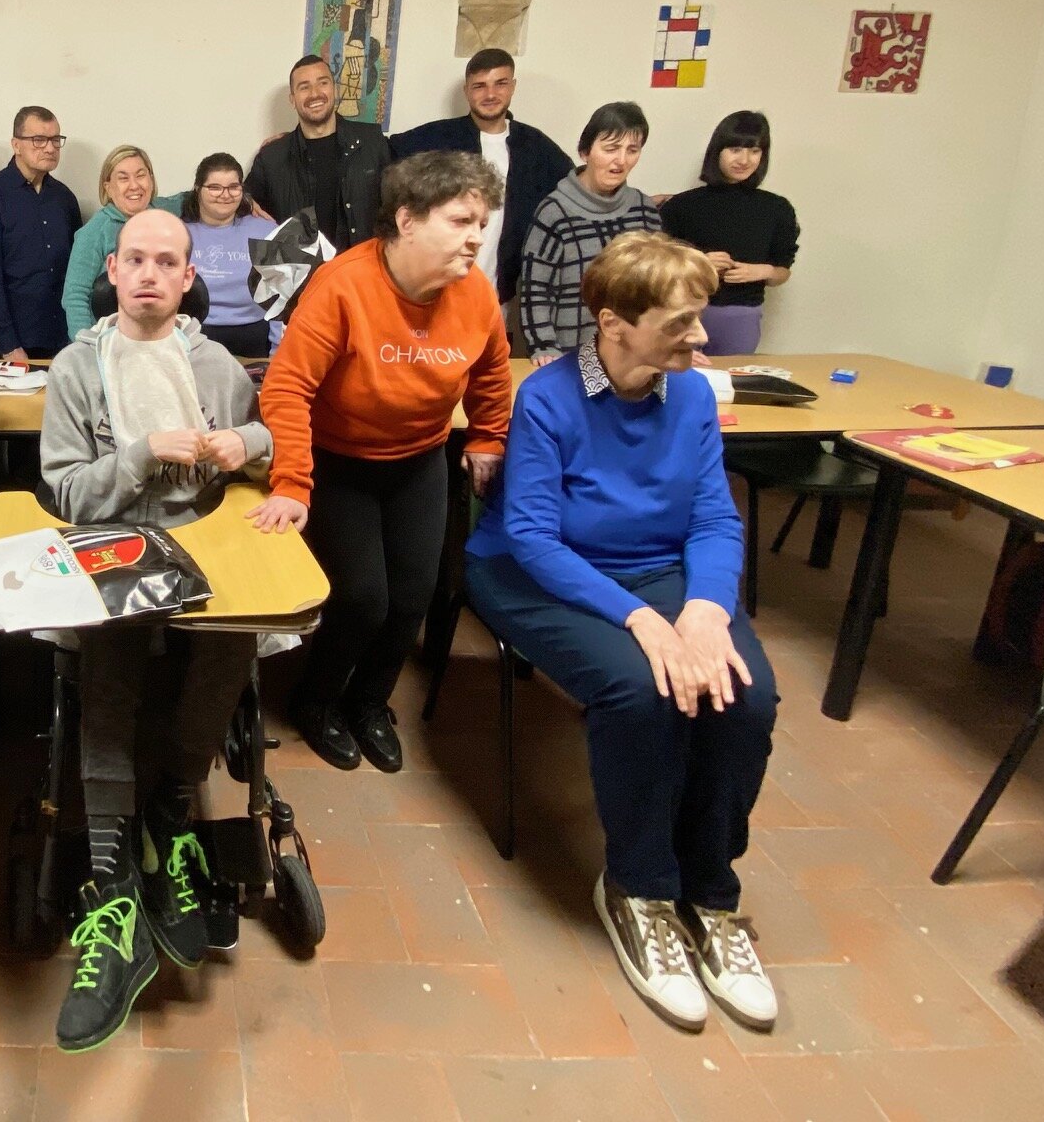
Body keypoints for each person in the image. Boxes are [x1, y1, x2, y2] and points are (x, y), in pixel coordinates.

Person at [462, 233, 778, 1034]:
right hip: (540, 572)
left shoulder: (695, 397)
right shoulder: (551, 396)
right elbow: (532, 536)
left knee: (745, 697)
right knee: (639, 691)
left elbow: (711, 515)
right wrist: (641, 620)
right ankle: (637, 887)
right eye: (680, 324)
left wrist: (705, 607)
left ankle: (711, 894)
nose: (700, 339)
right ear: (613, 324)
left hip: (661, 570)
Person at [40, 207, 272, 1052]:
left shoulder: (212, 361)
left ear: (185, 277)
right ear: (111, 271)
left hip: (201, 541)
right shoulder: (77, 366)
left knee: (233, 640)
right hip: (111, 541)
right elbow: (67, 493)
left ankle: (171, 812)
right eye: (132, 258)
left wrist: (235, 443)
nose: (146, 274)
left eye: (164, 262)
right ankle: (110, 867)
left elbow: (266, 444)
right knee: (107, 656)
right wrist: (140, 453)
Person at [252, 153, 512, 771]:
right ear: (407, 220)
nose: (477, 236)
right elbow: (286, 389)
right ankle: (317, 703)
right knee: (363, 598)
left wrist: (487, 440)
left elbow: (493, 372)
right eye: (460, 220)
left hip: (419, 458)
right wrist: (291, 481)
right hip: (340, 460)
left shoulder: (474, 291)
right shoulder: (343, 285)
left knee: (412, 597)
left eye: (482, 221)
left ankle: (369, 704)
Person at [389, 49, 568, 326]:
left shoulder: (537, 149)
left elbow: (577, 187)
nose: (490, 94)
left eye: (500, 83)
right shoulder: (435, 139)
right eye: (479, 86)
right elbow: (382, 156)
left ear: (513, 86)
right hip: (436, 293)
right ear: (466, 91)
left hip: (498, 295)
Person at [518, 101, 663, 364]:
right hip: (569, 354)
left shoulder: (644, 210)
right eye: (610, 149)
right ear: (585, 152)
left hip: (631, 356)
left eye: (632, 150)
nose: (621, 160)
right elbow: (535, 289)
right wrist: (543, 346)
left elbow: (658, 287)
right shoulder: (555, 211)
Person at [661, 111, 799, 356]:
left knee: (732, 384)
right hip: (683, 310)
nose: (744, 159)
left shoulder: (777, 209)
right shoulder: (681, 206)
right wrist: (698, 262)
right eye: (735, 149)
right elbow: (658, 265)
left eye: (755, 151)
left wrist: (763, 271)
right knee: (676, 381)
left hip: (741, 313)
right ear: (718, 151)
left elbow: (782, 270)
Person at [0, 106, 83, 363]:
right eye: (39, 140)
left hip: (62, 337)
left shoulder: (65, 198)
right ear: (16, 145)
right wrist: (9, 344)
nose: (50, 148)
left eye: (56, 140)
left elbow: (75, 271)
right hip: (13, 341)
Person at [243, 55, 392, 250]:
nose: (315, 93)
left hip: (362, 269)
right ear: (292, 99)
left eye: (323, 83)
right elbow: (240, 201)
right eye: (304, 87)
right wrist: (245, 202)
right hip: (302, 277)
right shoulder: (272, 157)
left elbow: (399, 202)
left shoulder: (372, 141)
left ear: (335, 89)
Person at [61, 145, 185, 337]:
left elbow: (202, 197)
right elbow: (75, 297)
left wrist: (246, 201)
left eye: (141, 175)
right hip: (110, 343)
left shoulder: (166, 212)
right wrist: (86, 346)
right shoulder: (94, 232)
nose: (134, 185)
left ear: (151, 180)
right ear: (108, 187)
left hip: (161, 341)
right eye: (123, 178)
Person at [183, 152, 277, 358]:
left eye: (233, 187)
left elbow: (283, 297)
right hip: (197, 337)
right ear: (198, 190)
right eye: (215, 187)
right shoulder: (179, 233)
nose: (225, 195)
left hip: (256, 335)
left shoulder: (265, 231)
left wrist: (278, 352)